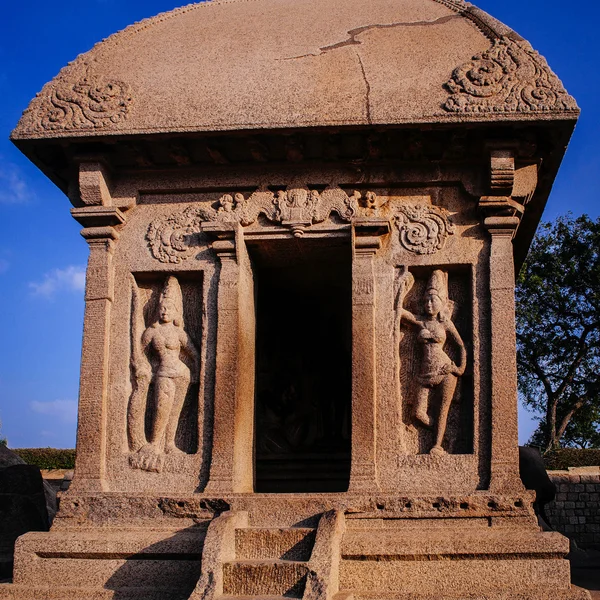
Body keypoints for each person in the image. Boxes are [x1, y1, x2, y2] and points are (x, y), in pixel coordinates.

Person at [129, 276, 199, 472]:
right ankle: (154, 443)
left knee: (176, 412)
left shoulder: (179, 333)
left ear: (176, 312)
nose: (164, 311)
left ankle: (170, 444)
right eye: (162, 308)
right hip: (164, 373)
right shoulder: (152, 332)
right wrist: (142, 367)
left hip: (181, 374)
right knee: (162, 409)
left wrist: (196, 372)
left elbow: (194, 353)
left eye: (168, 308)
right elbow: (138, 351)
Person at [399, 270, 466, 455]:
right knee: (417, 414)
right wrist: (401, 290)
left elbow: (460, 346)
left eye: (433, 300)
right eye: (426, 300)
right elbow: (401, 313)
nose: (429, 304)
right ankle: (443, 431)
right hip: (424, 372)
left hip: (445, 370)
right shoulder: (420, 322)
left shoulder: (446, 324)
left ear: (441, 302)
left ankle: (437, 445)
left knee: (442, 410)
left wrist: (459, 368)